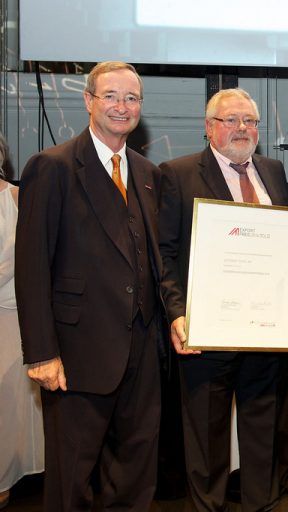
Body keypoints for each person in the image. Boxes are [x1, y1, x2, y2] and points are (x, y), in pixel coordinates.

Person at [15, 61, 164, 510]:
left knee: (135, 474)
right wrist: (41, 352)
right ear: (88, 101)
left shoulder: (146, 173)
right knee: (72, 479)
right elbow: (32, 265)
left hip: (142, 350)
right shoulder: (52, 167)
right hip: (77, 353)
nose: (122, 107)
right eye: (112, 96)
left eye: (132, 98)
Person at [158, 87, 288, 511]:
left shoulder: (274, 170)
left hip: (265, 330)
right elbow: (164, 254)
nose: (242, 128)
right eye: (232, 120)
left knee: (263, 433)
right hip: (208, 329)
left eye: (250, 121)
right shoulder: (178, 173)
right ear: (210, 127)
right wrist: (177, 313)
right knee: (207, 434)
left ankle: (261, 504)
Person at [0, 134, 44, 510]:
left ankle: (4, 479)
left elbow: (29, 254)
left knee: (10, 402)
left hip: (10, 315)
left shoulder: (16, 197)